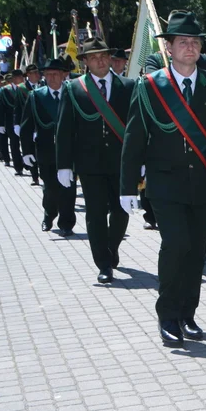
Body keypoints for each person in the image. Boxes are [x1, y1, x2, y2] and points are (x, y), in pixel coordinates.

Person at [119, 11, 206, 348]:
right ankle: (168, 314)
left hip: (203, 182)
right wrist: (126, 185)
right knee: (176, 245)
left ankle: (188, 313)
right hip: (165, 184)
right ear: (170, 48)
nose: (189, 47)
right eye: (182, 42)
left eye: (195, 42)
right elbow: (134, 140)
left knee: (196, 253)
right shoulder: (150, 87)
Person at [56, 38, 132, 284]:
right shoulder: (74, 88)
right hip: (90, 165)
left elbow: (135, 128)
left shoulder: (128, 86)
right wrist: (63, 164)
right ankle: (104, 263)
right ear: (86, 62)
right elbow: (64, 129)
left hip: (121, 162)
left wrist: (140, 159)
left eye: (104, 56)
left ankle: (111, 247)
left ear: (110, 58)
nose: (100, 61)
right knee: (96, 214)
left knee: (122, 211)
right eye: (94, 57)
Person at [21, 58, 76, 235]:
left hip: (68, 151)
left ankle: (66, 223)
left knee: (69, 188)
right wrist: (27, 151)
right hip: (46, 151)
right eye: (48, 74)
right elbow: (27, 125)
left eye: (56, 74)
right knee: (51, 189)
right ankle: (49, 214)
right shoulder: (36, 96)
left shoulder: (72, 94)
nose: (52, 78)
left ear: (63, 75)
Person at [0, 69, 28, 175]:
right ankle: (18, 166)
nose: (22, 79)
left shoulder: (26, 88)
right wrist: (0, 123)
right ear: (14, 79)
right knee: (14, 144)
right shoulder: (5, 90)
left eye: (22, 77)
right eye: (19, 77)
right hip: (11, 121)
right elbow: (1, 107)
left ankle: (27, 163)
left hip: (25, 120)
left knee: (26, 144)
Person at [17, 64, 42, 186]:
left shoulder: (43, 85)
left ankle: (42, 172)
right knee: (30, 149)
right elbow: (17, 108)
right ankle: (34, 176)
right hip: (28, 123)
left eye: (38, 72)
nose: (38, 75)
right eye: (35, 73)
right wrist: (16, 124)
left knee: (41, 150)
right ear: (29, 75)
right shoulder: (21, 88)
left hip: (41, 123)